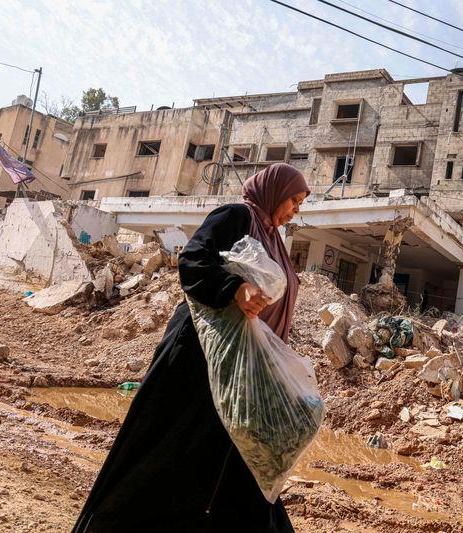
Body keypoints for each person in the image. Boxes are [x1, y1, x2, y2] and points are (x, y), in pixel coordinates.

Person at [73, 164, 310, 532]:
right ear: (274, 192)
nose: (295, 210)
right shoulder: (236, 217)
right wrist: (234, 288)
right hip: (199, 356)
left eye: (299, 203)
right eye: (293, 200)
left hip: (241, 364)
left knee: (243, 455)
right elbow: (193, 259)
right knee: (167, 445)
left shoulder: (274, 239)